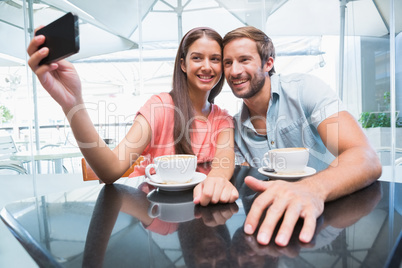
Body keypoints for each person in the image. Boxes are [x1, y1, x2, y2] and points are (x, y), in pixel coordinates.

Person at [27, 26, 238, 206]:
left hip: (201, 213)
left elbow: (223, 165)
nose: (207, 66)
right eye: (197, 58)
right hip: (155, 210)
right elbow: (110, 170)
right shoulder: (160, 107)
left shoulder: (223, 120)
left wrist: (219, 180)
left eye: (215, 59)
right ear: (183, 64)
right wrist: (73, 103)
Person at [221, 26, 382, 246]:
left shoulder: (305, 89)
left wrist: (312, 188)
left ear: (268, 63)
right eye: (228, 62)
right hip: (270, 224)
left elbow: (367, 158)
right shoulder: (235, 129)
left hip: (329, 215)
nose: (234, 71)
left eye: (244, 60)